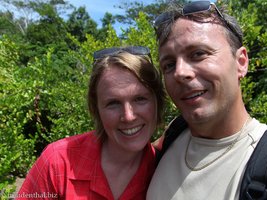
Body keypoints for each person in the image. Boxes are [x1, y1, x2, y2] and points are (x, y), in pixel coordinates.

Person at [146, 1, 267, 200]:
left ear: (241, 63)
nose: (180, 72)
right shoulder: (174, 133)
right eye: (168, 64)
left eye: (198, 54)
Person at [17, 46, 166, 199]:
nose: (128, 116)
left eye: (140, 99)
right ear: (96, 109)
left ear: (157, 102)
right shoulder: (58, 162)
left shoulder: (166, 172)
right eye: (113, 103)